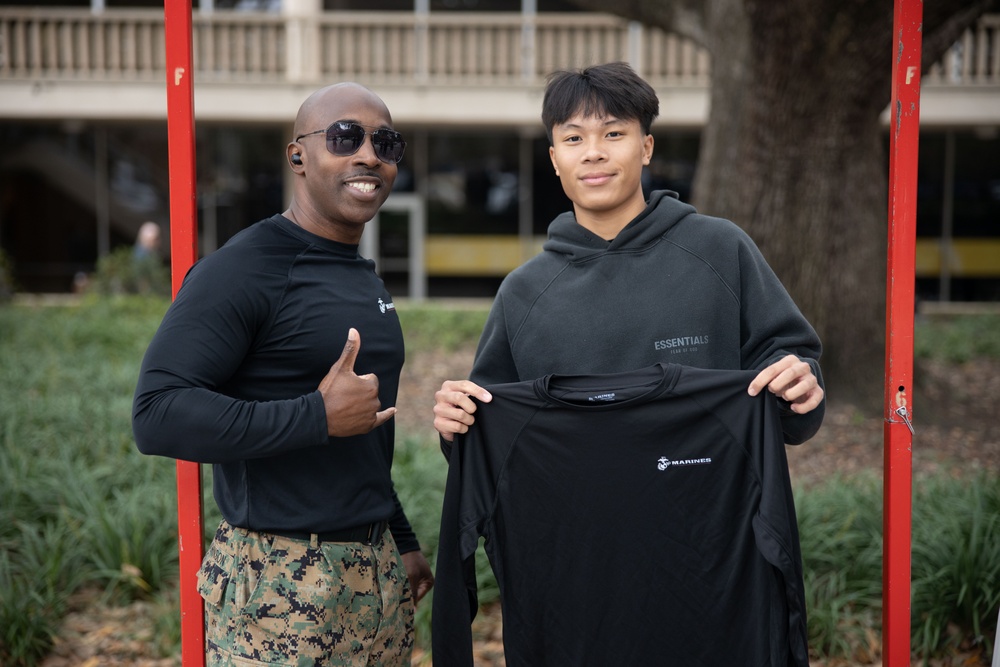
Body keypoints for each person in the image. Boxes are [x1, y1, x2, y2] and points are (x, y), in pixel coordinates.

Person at [430, 61, 825, 663]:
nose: (594, 152)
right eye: (573, 138)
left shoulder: (720, 250)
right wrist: (455, 423)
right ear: (554, 157)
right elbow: (487, 437)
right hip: (577, 582)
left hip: (711, 568)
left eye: (613, 133)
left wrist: (800, 382)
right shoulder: (524, 292)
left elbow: (790, 375)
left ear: (646, 146)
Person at [133, 82, 433, 666]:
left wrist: (396, 537)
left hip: (373, 580)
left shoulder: (361, 277)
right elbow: (157, 413)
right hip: (276, 589)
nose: (368, 154)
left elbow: (364, 433)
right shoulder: (244, 268)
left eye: (386, 142)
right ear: (298, 154)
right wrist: (314, 416)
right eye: (344, 137)